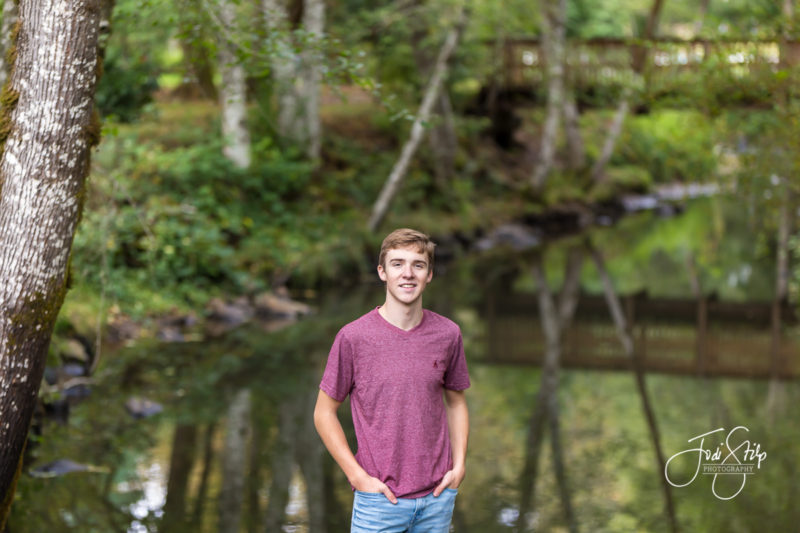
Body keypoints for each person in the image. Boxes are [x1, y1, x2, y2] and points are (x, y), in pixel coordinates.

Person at [314, 228, 470, 532]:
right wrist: (357, 476)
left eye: (418, 265)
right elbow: (323, 413)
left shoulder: (448, 334)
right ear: (382, 272)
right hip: (379, 503)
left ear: (429, 274)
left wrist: (459, 466)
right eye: (397, 264)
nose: (408, 274)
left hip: (437, 499)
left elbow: (456, 403)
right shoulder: (353, 337)